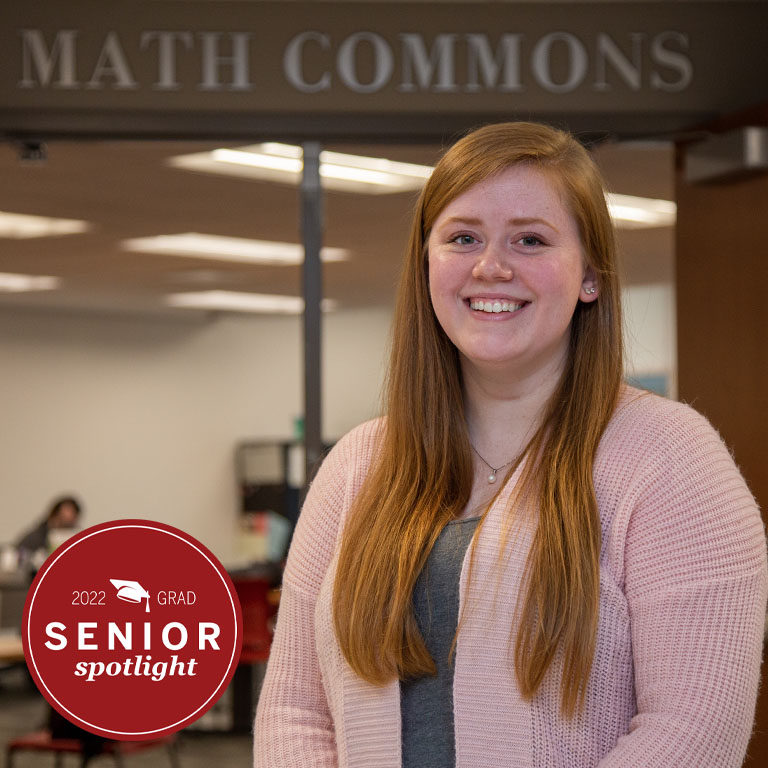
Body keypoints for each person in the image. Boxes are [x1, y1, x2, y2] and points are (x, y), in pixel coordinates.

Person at [253, 122, 768, 767]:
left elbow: (694, 726)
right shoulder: (358, 467)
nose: (491, 266)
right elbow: (295, 711)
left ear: (591, 276)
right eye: (463, 238)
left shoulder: (670, 459)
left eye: (530, 240)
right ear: (426, 267)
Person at [16, 495, 82, 557]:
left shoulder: (78, 539)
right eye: (62, 520)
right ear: (53, 517)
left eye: (69, 526)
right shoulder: (35, 538)